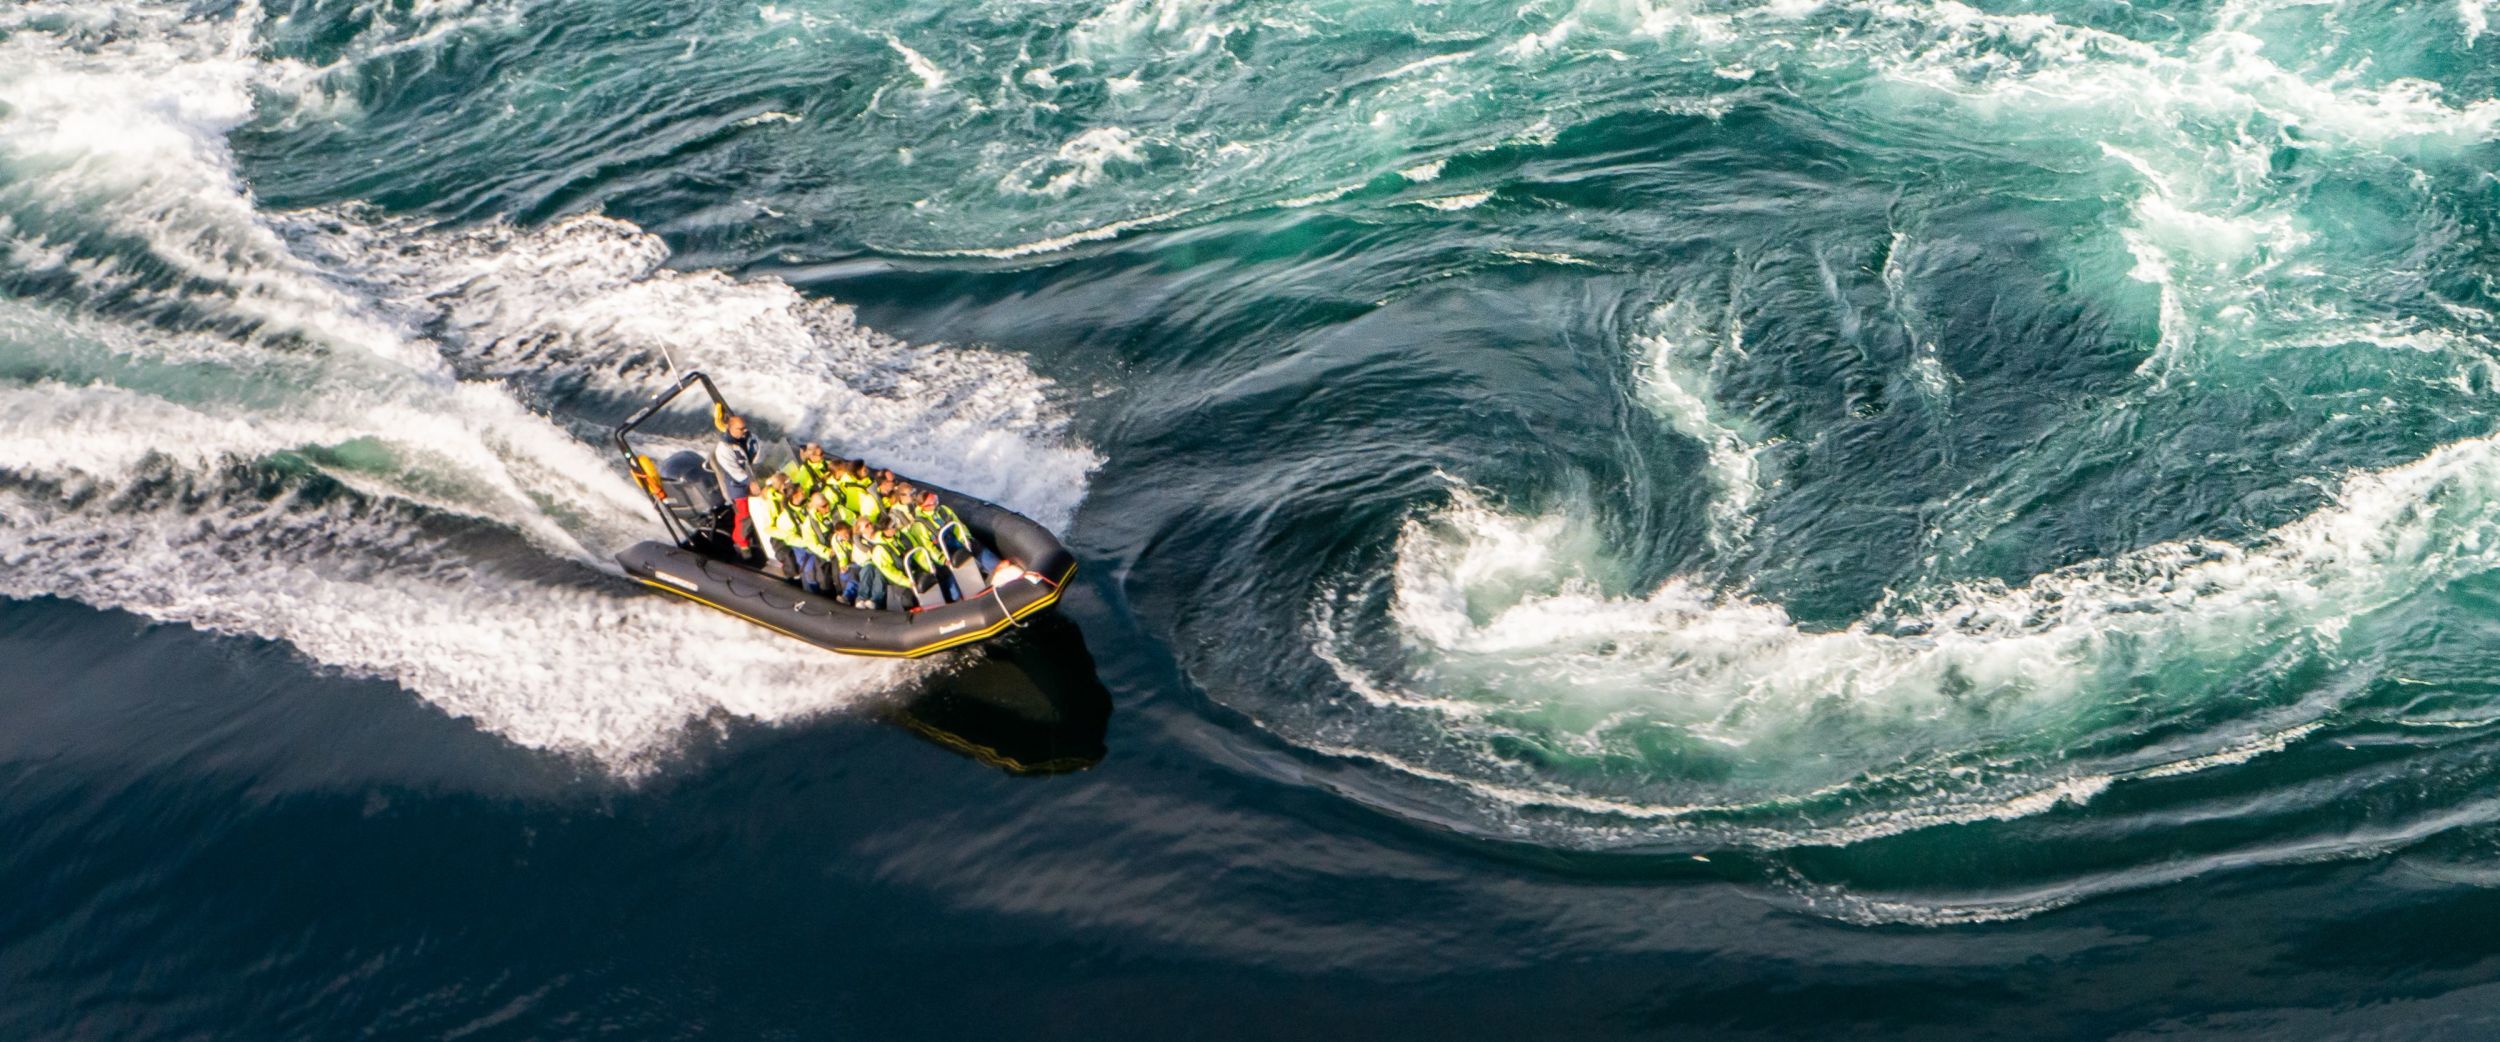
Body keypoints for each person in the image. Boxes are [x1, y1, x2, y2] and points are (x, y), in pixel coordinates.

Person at [713, 413, 757, 502]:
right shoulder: (724, 448)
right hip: (739, 489)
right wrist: (750, 483)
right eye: (741, 429)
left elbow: (759, 451)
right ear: (731, 429)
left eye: (745, 427)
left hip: (755, 478)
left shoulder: (748, 437)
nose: (745, 430)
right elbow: (734, 471)